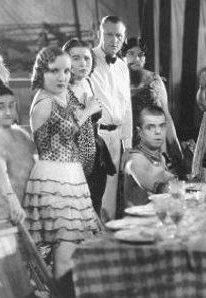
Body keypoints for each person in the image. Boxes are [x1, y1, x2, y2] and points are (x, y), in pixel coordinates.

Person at [23, 46, 100, 282]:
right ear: (41, 72)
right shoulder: (44, 102)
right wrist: (88, 111)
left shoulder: (59, 96)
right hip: (54, 178)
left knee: (73, 252)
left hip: (70, 174)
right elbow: (67, 131)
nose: (62, 77)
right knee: (65, 254)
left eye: (66, 71)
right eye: (54, 71)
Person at [0, 76, 36, 298]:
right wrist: (14, 203)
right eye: (0, 107)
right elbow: (1, 173)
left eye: (11, 105)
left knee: (18, 279)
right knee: (3, 283)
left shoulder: (21, 137)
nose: (8, 112)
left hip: (16, 220)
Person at [62, 38, 116, 217]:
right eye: (75, 58)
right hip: (72, 162)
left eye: (87, 58)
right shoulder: (60, 90)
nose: (83, 63)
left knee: (95, 209)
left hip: (96, 159)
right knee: (76, 215)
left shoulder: (88, 83)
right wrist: (89, 110)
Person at [89, 16, 132, 220]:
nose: (114, 40)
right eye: (109, 34)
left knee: (111, 199)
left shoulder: (123, 66)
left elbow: (127, 108)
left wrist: (128, 145)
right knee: (95, 196)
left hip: (117, 139)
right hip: (96, 136)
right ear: (100, 33)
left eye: (119, 36)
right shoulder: (88, 61)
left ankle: (108, 240)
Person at [122, 37, 183, 170]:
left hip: (155, 143)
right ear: (123, 57)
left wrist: (175, 146)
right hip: (128, 144)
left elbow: (166, 115)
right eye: (131, 54)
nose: (136, 59)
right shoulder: (117, 81)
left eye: (140, 55)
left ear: (145, 59)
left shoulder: (154, 80)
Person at [122, 105, 175, 207]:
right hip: (140, 221)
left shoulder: (160, 158)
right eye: (151, 127)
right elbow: (158, 188)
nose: (158, 132)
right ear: (140, 132)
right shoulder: (135, 159)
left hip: (159, 217)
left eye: (162, 126)